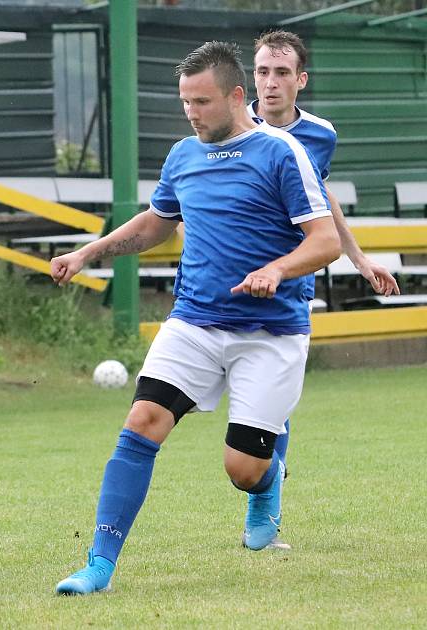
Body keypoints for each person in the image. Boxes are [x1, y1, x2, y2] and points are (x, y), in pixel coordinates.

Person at [50, 41, 341, 595]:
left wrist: (278, 270)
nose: (191, 112)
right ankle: (99, 565)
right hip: (194, 323)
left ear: (236, 96)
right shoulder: (183, 154)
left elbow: (324, 240)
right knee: (141, 425)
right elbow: (156, 224)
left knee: (243, 470)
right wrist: (90, 252)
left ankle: (266, 478)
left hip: (271, 333)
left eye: (202, 101)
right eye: (185, 101)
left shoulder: (282, 152)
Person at [247, 29, 400, 545]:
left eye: (282, 72)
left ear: (301, 80)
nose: (270, 83)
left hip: (290, 281)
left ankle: (262, 521)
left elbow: (319, 199)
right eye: (263, 71)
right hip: (227, 282)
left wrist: (357, 258)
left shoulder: (321, 135)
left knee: (276, 401)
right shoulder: (230, 125)